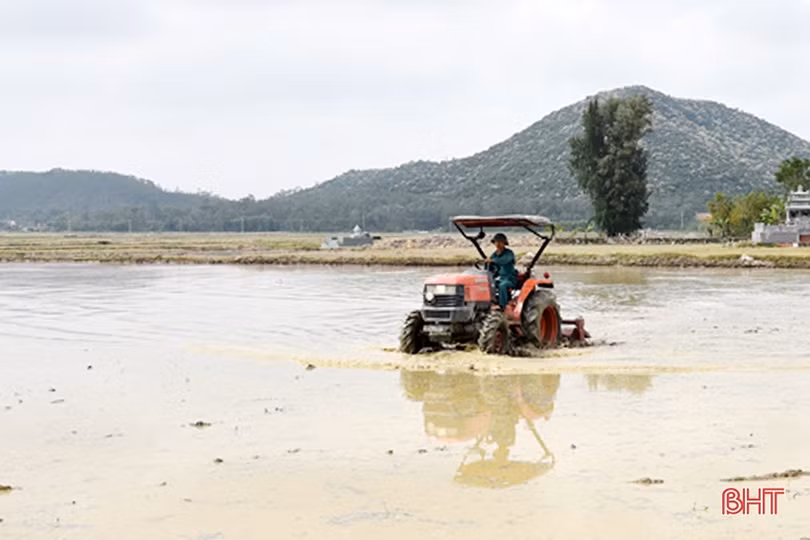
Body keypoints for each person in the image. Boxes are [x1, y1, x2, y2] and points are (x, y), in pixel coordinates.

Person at [486, 232, 518, 310]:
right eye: (496, 242)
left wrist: (492, 261)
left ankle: (502, 307)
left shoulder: (509, 253)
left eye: (500, 242)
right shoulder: (494, 254)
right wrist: (488, 264)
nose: (498, 244)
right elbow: (490, 265)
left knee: (502, 285)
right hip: (500, 278)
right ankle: (490, 303)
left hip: (510, 279)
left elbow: (504, 261)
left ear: (504, 243)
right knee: (487, 284)